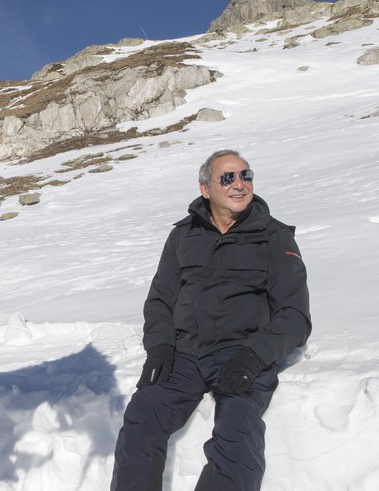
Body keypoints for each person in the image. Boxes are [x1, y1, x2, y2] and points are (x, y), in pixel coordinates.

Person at [110, 149, 311, 490]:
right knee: (142, 416)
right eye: (228, 177)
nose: (240, 185)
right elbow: (160, 300)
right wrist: (159, 347)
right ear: (206, 188)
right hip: (185, 356)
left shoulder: (274, 237)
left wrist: (254, 355)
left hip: (241, 354)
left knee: (237, 431)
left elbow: (295, 315)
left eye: (246, 176)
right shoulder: (183, 236)